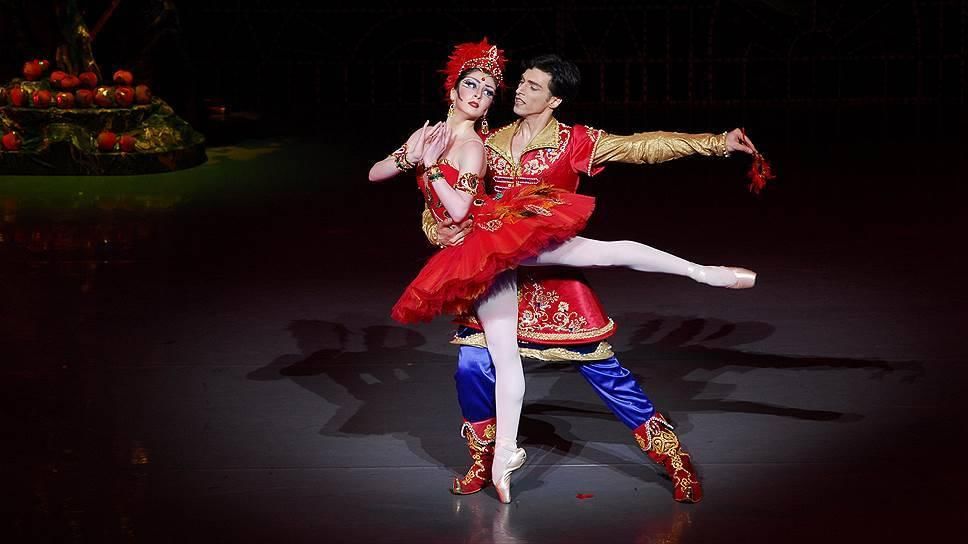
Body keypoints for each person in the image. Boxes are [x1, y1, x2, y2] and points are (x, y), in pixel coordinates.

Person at [369, 40, 756, 504]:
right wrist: (438, 229)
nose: (518, 91)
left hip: (554, 278)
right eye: (520, 82)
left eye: (533, 86)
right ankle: (485, 460)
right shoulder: (489, 141)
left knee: (603, 370)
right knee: (472, 366)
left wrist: (716, 143)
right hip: (496, 273)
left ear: (554, 99)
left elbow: (641, 147)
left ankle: (673, 457)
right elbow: (450, 202)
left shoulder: (575, 141)